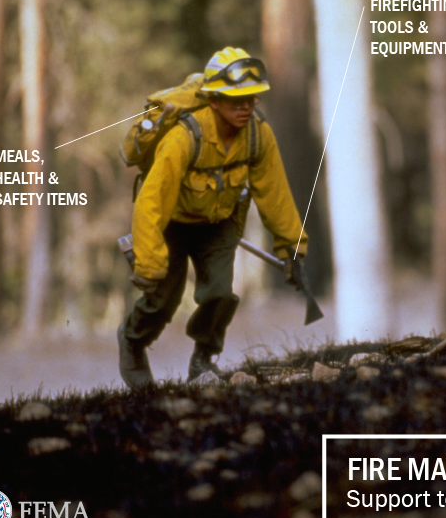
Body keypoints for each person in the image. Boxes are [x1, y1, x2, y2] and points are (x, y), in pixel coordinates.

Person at [118, 47, 309, 389]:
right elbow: (152, 202)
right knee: (162, 301)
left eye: (251, 99)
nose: (246, 108)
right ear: (214, 100)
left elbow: (274, 193)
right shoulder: (183, 137)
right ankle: (132, 340)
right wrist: (148, 262)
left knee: (220, 294)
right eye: (236, 101)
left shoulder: (258, 134)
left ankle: (203, 359)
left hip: (219, 222)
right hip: (173, 224)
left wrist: (292, 248)